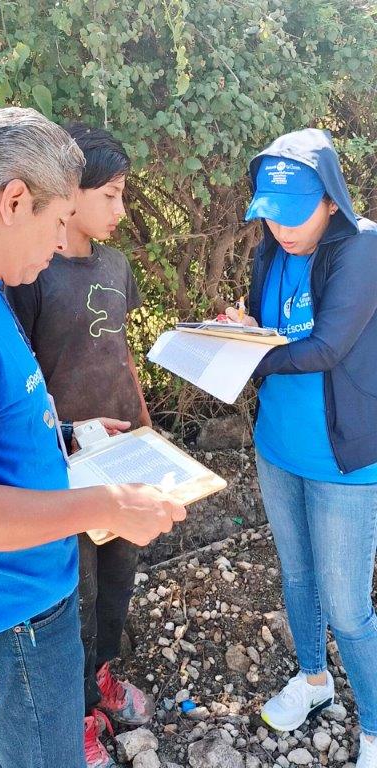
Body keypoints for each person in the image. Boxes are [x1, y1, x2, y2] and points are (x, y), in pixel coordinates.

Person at [0, 107, 186, 768]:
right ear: (13, 201)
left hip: (17, 605)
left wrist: (72, 432)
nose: (59, 243)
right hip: (12, 619)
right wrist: (107, 505)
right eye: (56, 221)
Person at [226, 128, 377, 768]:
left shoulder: (364, 247)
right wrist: (238, 334)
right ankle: (314, 679)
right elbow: (272, 331)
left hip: (342, 460)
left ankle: (374, 728)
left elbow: (326, 348)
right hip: (277, 446)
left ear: (331, 201)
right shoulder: (273, 250)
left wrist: (248, 358)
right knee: (297, 577)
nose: (283, 230)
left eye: (295, 215)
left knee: (348, 606)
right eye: (272, 215)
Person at [8, 124, 153, 768]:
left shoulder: (116, 266)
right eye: (111, 195)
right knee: (76, 591)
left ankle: (103, 675)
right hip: (62, 464)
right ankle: (77, 714)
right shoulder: (32, 275)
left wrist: (145, 423)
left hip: (122, 449)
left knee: (118, 577)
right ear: (72, 192)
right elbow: (23, 376)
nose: (120, 210)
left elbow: (120, 353)